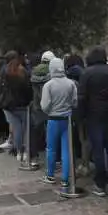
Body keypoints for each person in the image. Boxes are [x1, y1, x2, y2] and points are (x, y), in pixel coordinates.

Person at [78, 46, 108, 196]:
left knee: (98, 150)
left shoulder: (87, 73)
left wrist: (81, 115)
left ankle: (100, 183)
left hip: (94, 116)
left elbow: (82, 97)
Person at [40, 58, 77, 189]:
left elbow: (44, 105)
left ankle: (50, 175)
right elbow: (74, 102)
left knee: (51, 148)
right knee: (66, 150)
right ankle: (65, 179)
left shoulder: (48, 85)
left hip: (53, 119)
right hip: (67, 119)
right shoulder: (71, 83)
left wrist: (51, 109)